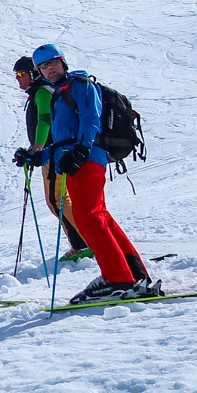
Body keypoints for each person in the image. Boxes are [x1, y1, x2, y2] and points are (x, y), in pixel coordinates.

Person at [14, 44, 162, 304]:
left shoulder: (80, 84)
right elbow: (60, 141)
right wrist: (38, 155)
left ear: (63, 62)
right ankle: (135, 275)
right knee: (100, 216)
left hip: (87, 160)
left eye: (53, 63)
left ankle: (117, 277)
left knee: (87, 215)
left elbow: (91, 119)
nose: (49, 69)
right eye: (43, 66)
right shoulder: (59, 95)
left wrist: (82, 149)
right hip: (72, 161)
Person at [15, 55, 90, 260]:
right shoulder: (44, 91)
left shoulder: (42, 92)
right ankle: (84, 242)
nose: (18, 78)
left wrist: (38, 148)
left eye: (21, 74)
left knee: (56, 199)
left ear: (34, 74)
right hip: (54, 153)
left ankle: (85, 244)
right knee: (58, 199)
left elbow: (45, 119)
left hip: (53, 154)